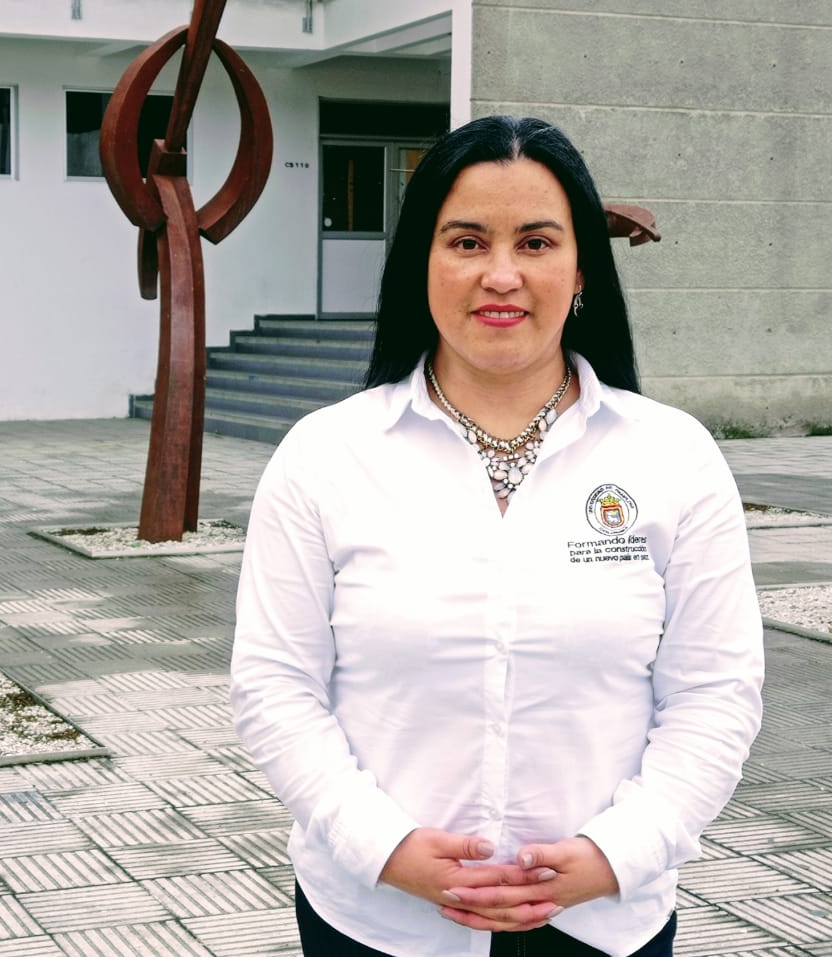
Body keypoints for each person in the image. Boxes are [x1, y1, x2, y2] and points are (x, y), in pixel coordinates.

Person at [229, 115, 764, 957]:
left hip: (602, 922)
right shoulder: (325, 456)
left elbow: (716, 691)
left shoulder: (673, 457)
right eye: (468, 241)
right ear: (423, 262)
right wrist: (384, 846)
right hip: (379, 919)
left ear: (581, 269)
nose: (502, 274)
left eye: (537, 242)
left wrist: (619, 852)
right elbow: (275, 685)